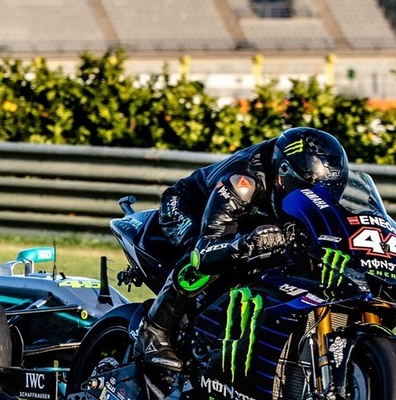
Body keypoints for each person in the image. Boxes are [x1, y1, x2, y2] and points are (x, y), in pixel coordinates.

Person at [134, 126, 350, 372]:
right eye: (310, 190)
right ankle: (154, 331)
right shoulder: (244, 181)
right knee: (208, 261)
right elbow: (208, 246)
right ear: (283, 173)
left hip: (249, 219)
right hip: (188, 208)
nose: (318, 197)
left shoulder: (300, 186)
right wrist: (245, 243)